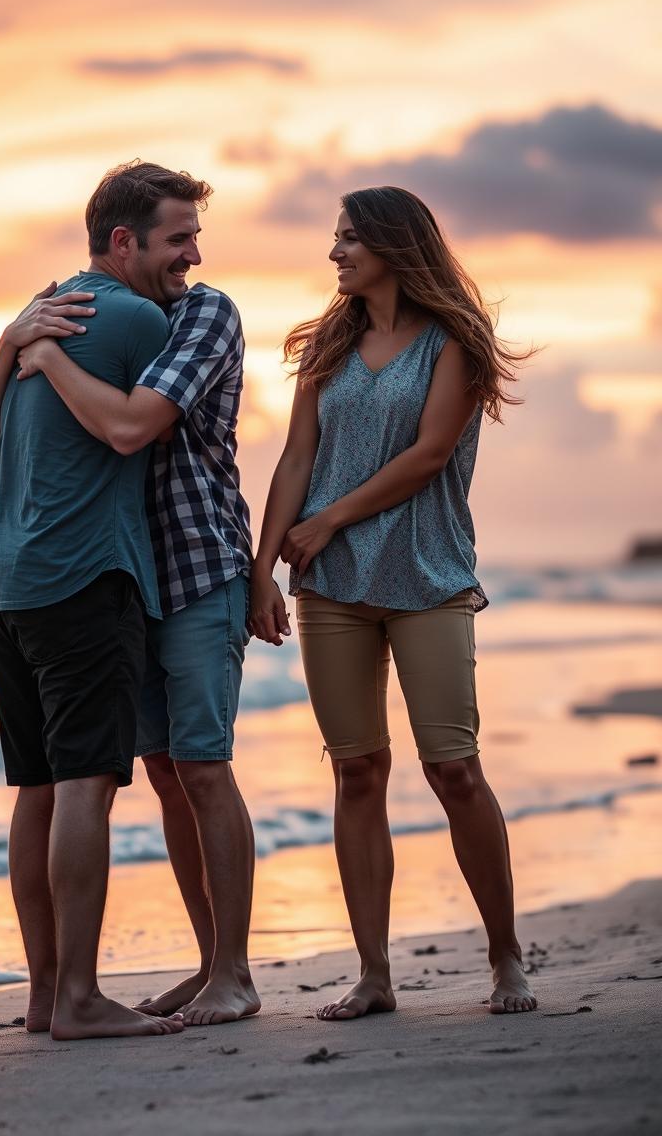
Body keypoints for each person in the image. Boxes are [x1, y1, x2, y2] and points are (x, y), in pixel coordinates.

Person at [250, 185, 536, 1020]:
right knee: (355, 771)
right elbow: (295, 458)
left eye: (348, 240)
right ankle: (374, 974)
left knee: (454, 767)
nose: (334, 253)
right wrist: (262, 570)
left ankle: (506, 955)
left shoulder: (453, 342)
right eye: (333, 240)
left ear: (393, 246)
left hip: (427, 573)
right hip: (331, 586)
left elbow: (429, 453)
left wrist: (328, 520)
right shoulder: (327, 348)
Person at [0, 168, 258, 1028]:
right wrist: (17, 341)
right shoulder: (134, 317)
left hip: (9, 579)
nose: (195, 254)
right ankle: (75, 996)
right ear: (122, 243)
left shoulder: (55, 312)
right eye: (178, 236)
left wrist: (28, 345)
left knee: (45, 785)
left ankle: (53, 994)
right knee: (84, 784)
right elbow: (130, 426)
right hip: (91, 574)